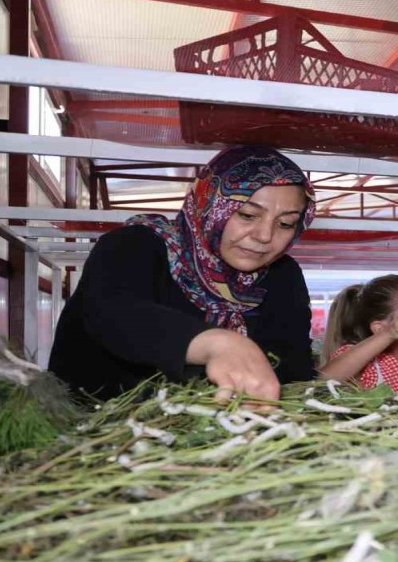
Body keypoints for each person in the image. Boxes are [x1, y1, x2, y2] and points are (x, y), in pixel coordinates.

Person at [49, 145, 316, 402]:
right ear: (208, 202)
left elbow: (293, 368)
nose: (264, 236)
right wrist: (216, 344)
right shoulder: (136, 244)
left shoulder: (282, 275)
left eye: (285, 223)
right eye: (247, 215)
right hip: (97, 428)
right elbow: (113, 313)